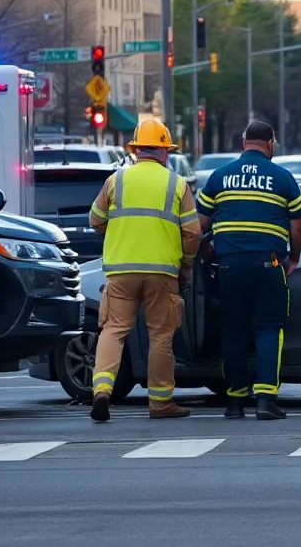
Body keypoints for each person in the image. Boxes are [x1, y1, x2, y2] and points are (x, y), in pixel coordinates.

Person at [87, 118, 201, 422]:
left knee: (113, 329)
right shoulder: (177, 184)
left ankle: (101, 391)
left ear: (136, 150)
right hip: (162, 274)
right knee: (161, 336)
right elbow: (193, 233)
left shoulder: (116, 180)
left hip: (121, 272)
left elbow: (95, 220)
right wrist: (186, 266)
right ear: (164, 152)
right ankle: (160, 403)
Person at [196, 121, 301, 420]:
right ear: (271, 144)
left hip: (229, 264)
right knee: (268, 328)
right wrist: (293, 258)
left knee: (232, 329)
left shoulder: (219, 177)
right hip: (268, 263)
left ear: (243, 142)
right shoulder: (282, 178)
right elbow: (298, 224)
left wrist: (205, 250)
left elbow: (199, 225)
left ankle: (234, 402)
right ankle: (266, 400)